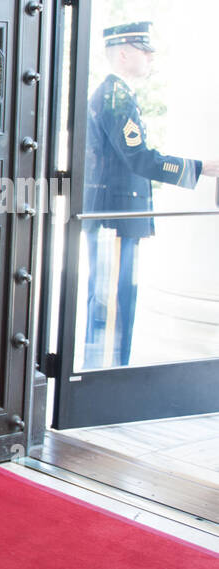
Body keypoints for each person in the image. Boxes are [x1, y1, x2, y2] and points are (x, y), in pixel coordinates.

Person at [82, 22, 217, 368]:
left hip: (120, 215)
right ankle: (107, 375)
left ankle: (112, 372)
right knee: (112, 301)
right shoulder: (115, 95)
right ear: (123, 53)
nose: (151, 57)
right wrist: (199, 167)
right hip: (116, 216)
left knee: (119, 296)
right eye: (145, 50)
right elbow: (139, 158)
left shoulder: (121, 95)